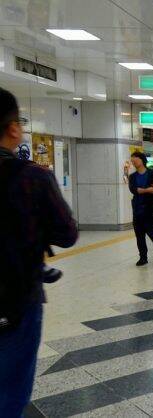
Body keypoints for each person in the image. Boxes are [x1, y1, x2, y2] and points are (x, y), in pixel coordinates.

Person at [0, 87, 78, 416]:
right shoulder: (32, 177)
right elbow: (67, 234)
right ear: (13, 128)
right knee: (11, 389)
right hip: (16, 298)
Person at [128, 152, 153, 265]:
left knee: (150, 231)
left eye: (135, 159)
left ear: (142, 160)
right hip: (137, 209)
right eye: (132, 161)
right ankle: (143, 257)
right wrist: (148, 190)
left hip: (150, 208)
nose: (133, 162)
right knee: (139, 234)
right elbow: (134, 190)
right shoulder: (132, 177)